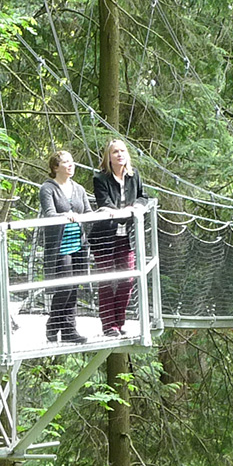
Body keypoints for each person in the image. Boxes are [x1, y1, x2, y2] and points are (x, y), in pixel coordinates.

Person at [90, 138, 147, 337]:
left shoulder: (134, 175)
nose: (120, 154)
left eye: (122, 151)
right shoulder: (100, 178)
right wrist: (123, 211)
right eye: (115, 152)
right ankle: (108, 325)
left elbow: (142, 196)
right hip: (105, 236)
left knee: (127, 279)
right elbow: (104, 203)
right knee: (106, 281)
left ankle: (119, 321)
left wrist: (137, 206)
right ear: (109, 157)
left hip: (126, 237)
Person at [38, 149, 92, 343]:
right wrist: (65, 216)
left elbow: (88, 212)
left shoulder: (79, 189)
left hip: (78, 243)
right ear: (55, 167)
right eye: (66, 162)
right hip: (60, 246)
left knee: (73, 287)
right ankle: (56, 326)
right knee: (65, 286)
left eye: (72, 161)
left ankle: (66, 328)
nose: (71, 165)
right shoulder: (48, 188)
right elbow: (49, 214)